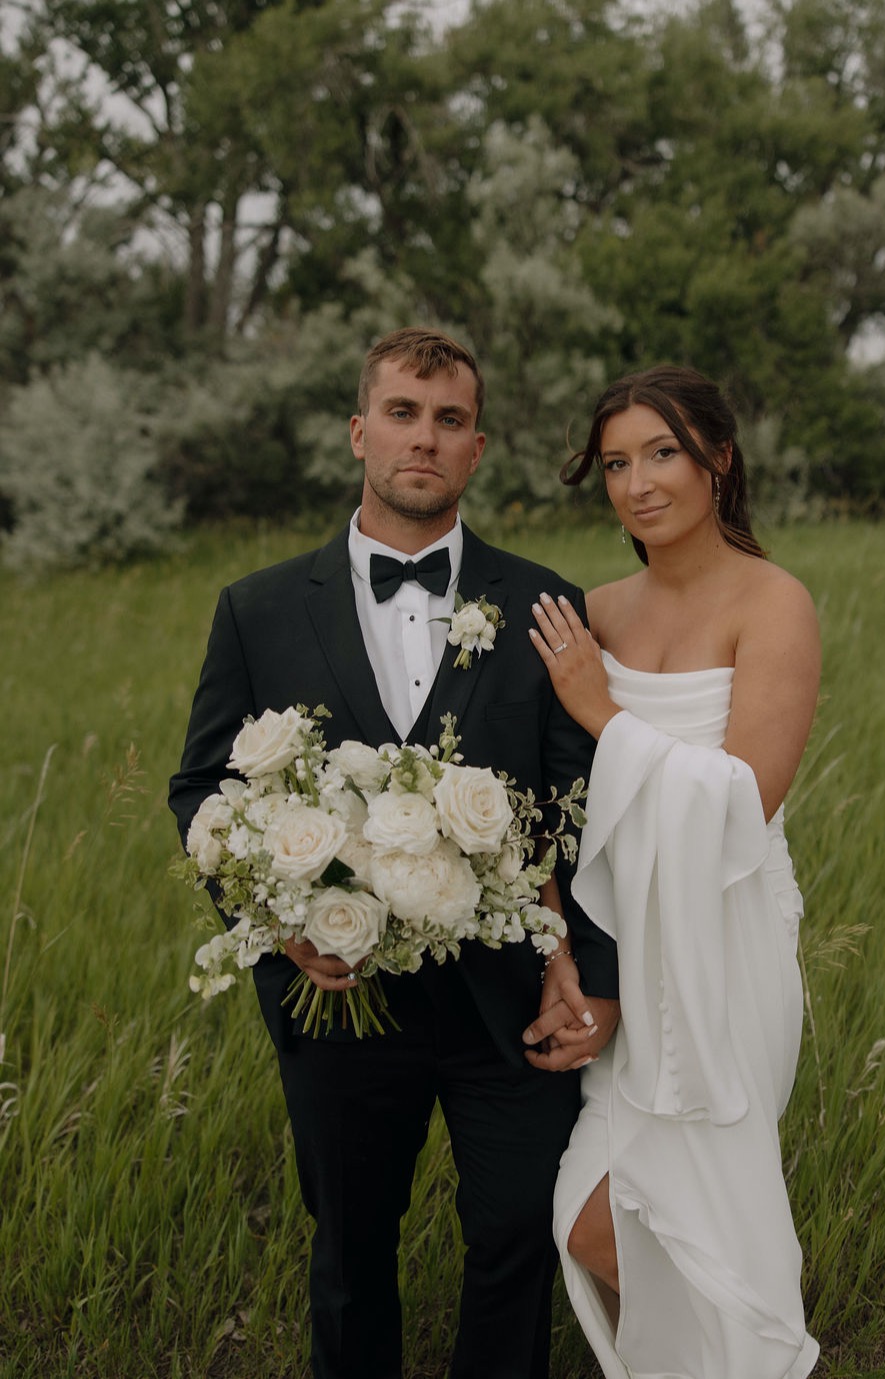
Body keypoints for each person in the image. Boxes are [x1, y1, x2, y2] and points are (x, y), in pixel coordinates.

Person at [168, 327, 619, 1379]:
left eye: (450, 420)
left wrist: (586, 977)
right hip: (333, 999)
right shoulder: (259, 606)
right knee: (351, 1250)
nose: (426, 438)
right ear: (359, 431)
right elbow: (202, 788)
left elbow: (580, 809)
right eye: (405, 413)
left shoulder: (544, 601)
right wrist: (280, 926)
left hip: (514, 1008)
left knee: (514, 1239)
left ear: (477, 448)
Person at [524, 364, 821, 1378]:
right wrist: (567, 947)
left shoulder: (773, 602)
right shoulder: (593, 610)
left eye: (663, 453)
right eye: (616, 462)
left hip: (725, 946)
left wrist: (601, 711)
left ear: (718, 460)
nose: (639, 481)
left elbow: (745, 801)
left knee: (705, 1211)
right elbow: (558, 804)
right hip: (621, 942)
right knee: (591, 1218)